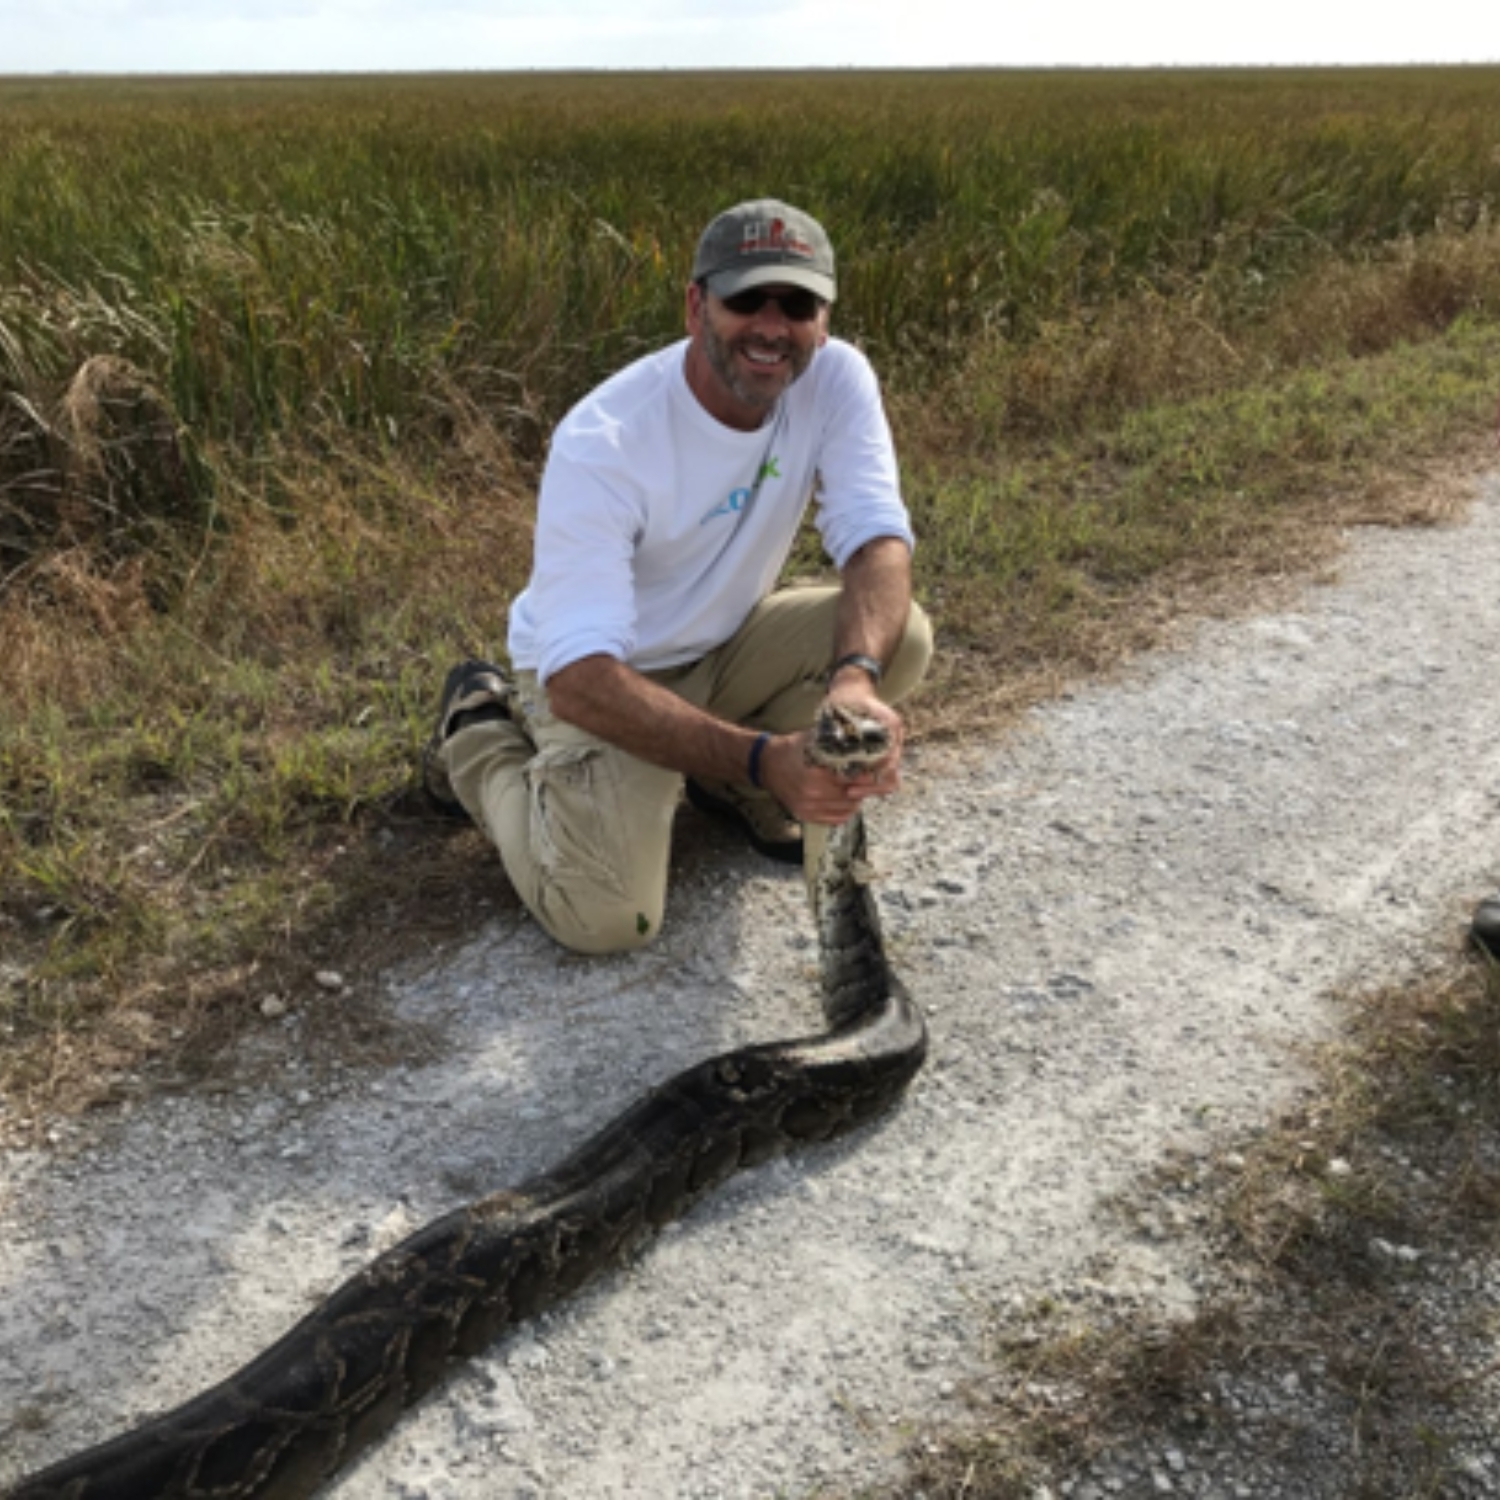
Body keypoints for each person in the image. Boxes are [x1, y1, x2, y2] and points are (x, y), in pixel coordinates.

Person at [422, 199, 933, 955]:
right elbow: (579, 678)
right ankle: (479, 733)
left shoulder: (836, 378)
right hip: (601, 678)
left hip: (722, 644)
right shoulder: (608, 440)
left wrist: (855, 679)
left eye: (796, 304)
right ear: (696, 305)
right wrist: (767, 754)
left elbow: (876, 542)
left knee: (903, 639)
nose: (771, 326)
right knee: (605, 919)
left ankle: (734, 785)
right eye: (744, 300)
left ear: (822, 318)